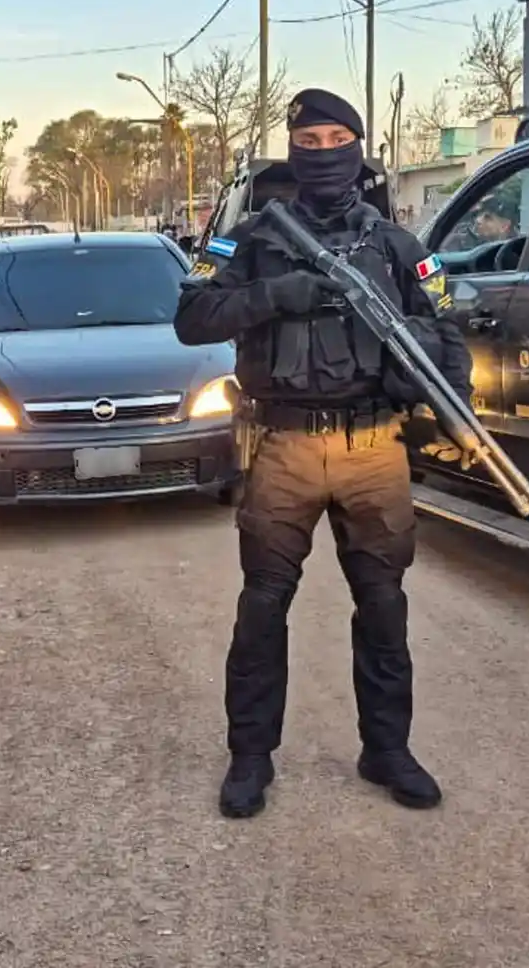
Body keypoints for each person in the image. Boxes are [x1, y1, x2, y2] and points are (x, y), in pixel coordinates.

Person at [174, 88, 472, 819]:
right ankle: (250, 757)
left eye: (335, 139)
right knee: (263, 606)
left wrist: (445, 403)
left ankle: (387, 750)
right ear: (293, 151)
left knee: (383, 605)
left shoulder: (401, 248)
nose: (322, 154)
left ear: (358, 149)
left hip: (374, 446)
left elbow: (452, 324)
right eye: (308, 143)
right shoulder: (244, 240)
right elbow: (191, 317)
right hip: (284, 446)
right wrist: (280, 293)